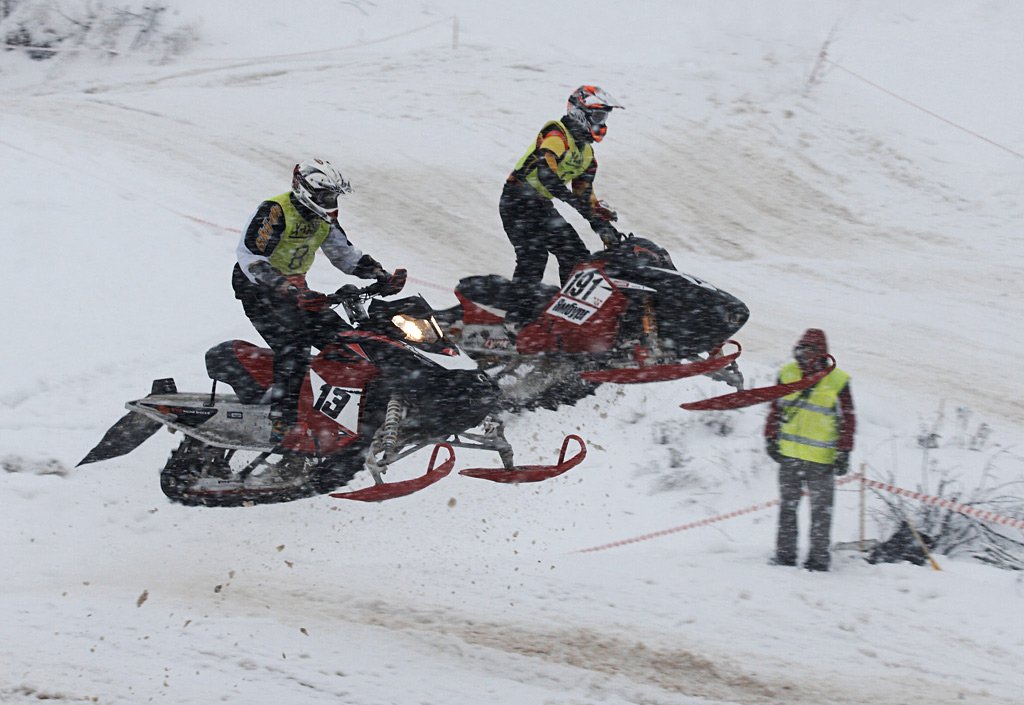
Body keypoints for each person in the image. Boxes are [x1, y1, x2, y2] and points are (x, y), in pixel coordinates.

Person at [233, 158, 405, 443]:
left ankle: (347, 413)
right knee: (294, 343)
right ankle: (282, 419)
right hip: (259, 291)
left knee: (346, 342)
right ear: (304, 190)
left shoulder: (324, 218)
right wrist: (286, 289)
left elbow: (345, 255)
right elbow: (251, 258)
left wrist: (380, 274)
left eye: (334, 195)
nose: (331, 201)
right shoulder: (276, 211)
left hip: (298, 293)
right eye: (326, 195)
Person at [499, 85, 624, 331]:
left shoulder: (587, 154)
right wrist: (569, 198)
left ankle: (570, 318)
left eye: (604, 117)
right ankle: (516, 322)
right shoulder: (558, 133)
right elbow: (546, 172)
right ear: (580, 112)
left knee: (576, 255)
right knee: (533, 257)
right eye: (598, 116)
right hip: (517, 200)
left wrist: (602, 226)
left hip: (540, 204)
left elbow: (585, 195)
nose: (602, 123)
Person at [764, 328, 856, 572]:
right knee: (787, 510)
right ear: (798, 348)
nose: (808, 353)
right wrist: (770, 437)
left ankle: (818, 560)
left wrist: (844, 451)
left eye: (814, 349)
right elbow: (775, 409)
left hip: (821, 460)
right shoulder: (787, 373)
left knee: (821, 514)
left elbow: (848, 419)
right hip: (790, 456)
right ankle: (785, 556)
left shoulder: (838, 380)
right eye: (805, 348)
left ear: (823, 353)